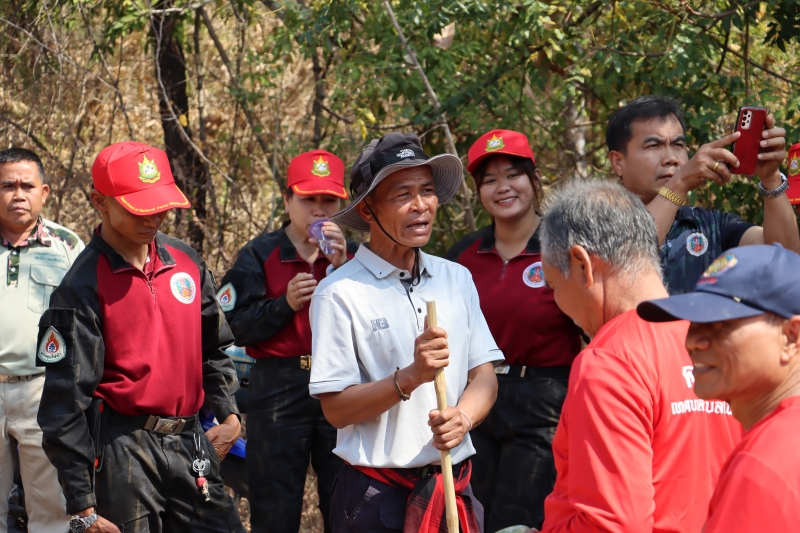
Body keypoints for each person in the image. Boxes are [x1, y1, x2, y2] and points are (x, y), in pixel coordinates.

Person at [36, 141, 245, 533]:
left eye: (161, 206)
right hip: (122, 450)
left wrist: (230, 415)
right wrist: (82, 504)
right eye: (139, 209)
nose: (154, 218)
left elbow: (213, 347)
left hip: (191, 440)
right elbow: (63, 406)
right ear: (100, 202)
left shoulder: (187, 262)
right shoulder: (81, 286)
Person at [309, 132, 503, 532]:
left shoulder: (455, 278)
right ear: (368, 210)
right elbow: (336, 409)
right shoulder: (338, 293)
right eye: (403, 194)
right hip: (375, 498)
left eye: (427, 191)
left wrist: (463, 418)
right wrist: (411, 376)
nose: (421, 206)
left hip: (452, 488)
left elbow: (484, 375)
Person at [535, 179, 741, 533]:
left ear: (582, 265)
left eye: (553, 285)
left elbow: (613, 525)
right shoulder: (721, 342)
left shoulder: (609, 362)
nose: (555, 301)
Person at [445, 130, 582, 531]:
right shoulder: (462, 256)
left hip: (545, 403)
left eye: (512, 175)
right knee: (471, 515)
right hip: (475, 400)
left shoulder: (565, 246)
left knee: (521, 521)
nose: (502, 187)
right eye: (489, 180)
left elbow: (593, 326)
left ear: (534, 179)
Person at [218, 149, 358, 533]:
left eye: (329, 200)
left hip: (342, 382)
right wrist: (283, 305)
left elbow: (379, 324)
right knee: (274, 503)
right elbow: (231, 326)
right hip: (277, 384)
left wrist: (344, 268)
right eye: (308, 199)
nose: (319, 210)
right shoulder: (260, 254)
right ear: (286, 200)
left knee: (347, 498)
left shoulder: (356, 257)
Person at [636, 244, 800, 532]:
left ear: (790, 337)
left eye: (721, 323)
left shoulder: (763, 464)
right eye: (695, 322)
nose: (692, 341)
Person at [606, 95, 800, 294]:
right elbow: (627, 261)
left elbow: (785, 260)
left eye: (678, 145)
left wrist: (771, 178)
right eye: (653, 145)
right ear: (618, 162)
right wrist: (680, 183)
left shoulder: (712, 225)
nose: (671, 158)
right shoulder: (597, 219)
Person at [0, 148, 84, 533]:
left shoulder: (67, 246)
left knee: (52, 508)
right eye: (7, 186)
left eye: (27, 186)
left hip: (43, 389)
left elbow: (90, 319)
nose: (18, 194)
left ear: (44, 192)